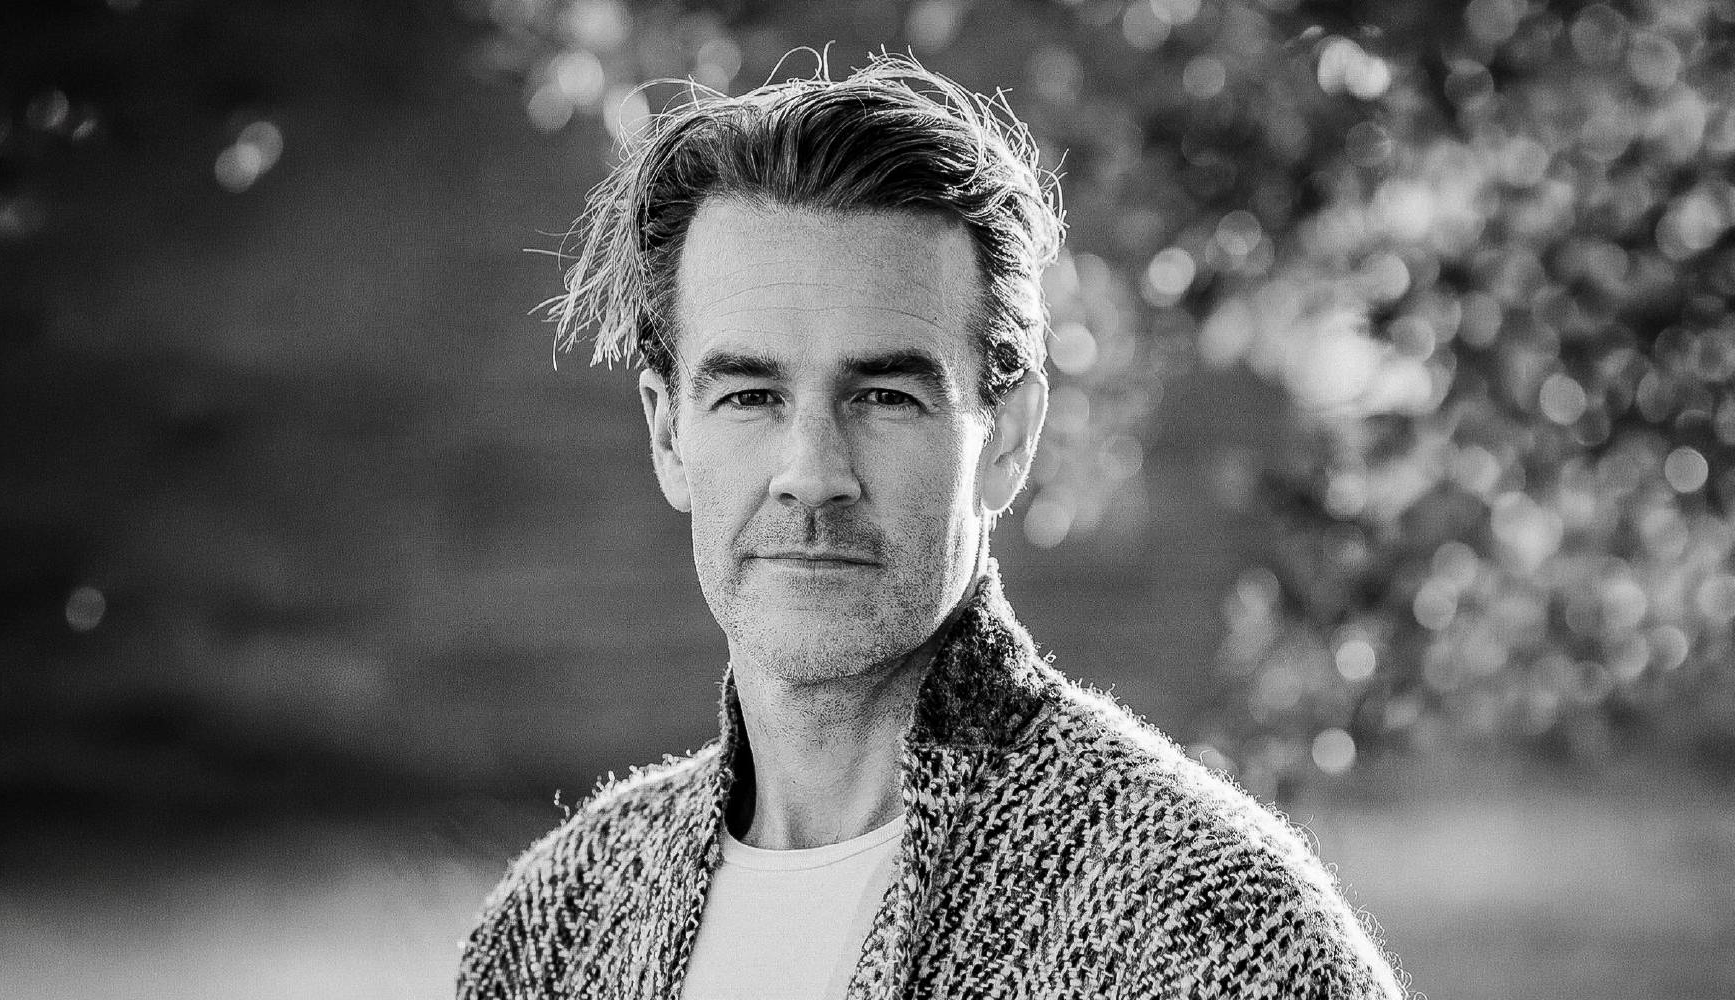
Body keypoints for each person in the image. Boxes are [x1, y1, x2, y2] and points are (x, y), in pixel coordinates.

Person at [457, 54, 1404, 1000]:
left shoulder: (1211, 929)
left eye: (885, 397)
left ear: (1009, 438)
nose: (812, 475)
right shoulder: (557, 926)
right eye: (750, 395)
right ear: (669, 435)